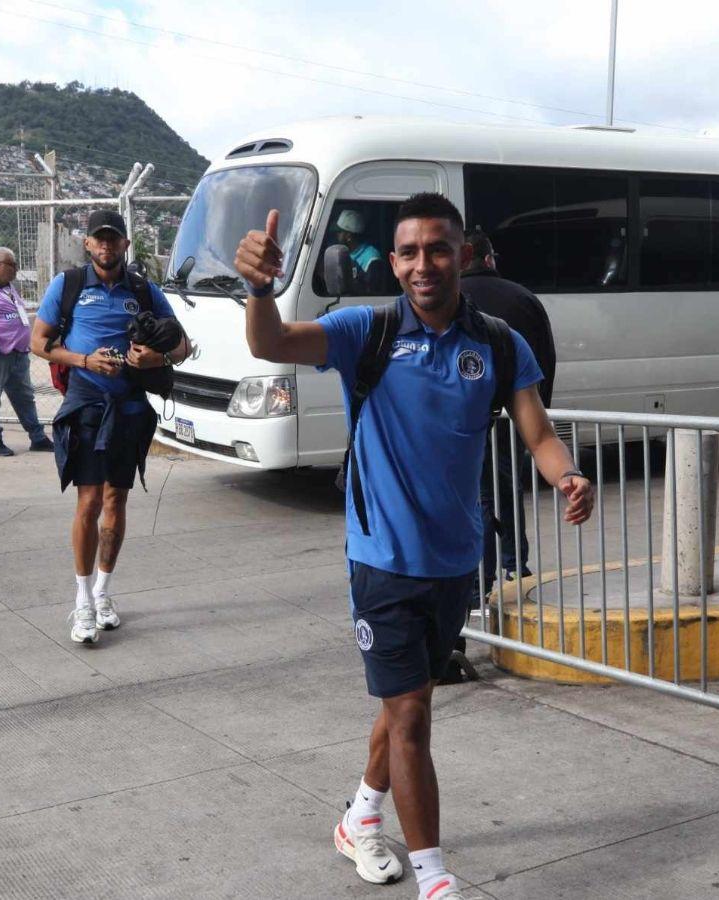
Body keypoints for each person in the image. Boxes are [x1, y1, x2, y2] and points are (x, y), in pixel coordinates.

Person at [235, 193, 593, 900]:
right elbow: (271, 343)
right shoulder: (362, 332)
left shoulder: (495, 343)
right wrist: (257, 289)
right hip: (383, 561)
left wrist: (569, 474)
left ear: (462, 254)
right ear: (393, 262)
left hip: (457, 560)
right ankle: (435, 879)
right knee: (413, 719)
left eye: (437, 249)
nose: (422, 264)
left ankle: (358, 818)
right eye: (408, 252)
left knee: (408, 702)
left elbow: (539, 432)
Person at [31, 210, 190, 645]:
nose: (106, 246)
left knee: (116, 499)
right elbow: (38, 342)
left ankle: (103, 592)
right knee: (89, 501)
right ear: (87, 244)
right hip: (84, 400)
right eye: (99, 240)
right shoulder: (68, 285)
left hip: (130, 405)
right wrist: (84, 360)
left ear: (124, 245)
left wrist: (153, 359)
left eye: (114, 240)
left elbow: (183, 345)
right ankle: (81, 599)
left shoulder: (143, 290)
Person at [461, 230, 557, 596]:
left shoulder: (448, 301)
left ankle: (480, 581)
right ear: (487, 259)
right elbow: (544, 361)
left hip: (468, 419)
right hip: (514, 415)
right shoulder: (523, 298)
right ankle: (515, 565)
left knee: (480, 496)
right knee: (504, 489)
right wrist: (535, 416)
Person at [0, 246, 54, 456]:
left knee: (25, 397)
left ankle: (38, 438)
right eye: (12, 264)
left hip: (18, 354)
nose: (16, 269)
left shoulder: (8, 288)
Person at [332, 209, 385, 293]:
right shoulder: (345, 252)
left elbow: (371, 293)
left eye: (339, 232)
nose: (336, 235)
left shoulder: (371, 258)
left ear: (348, 236)